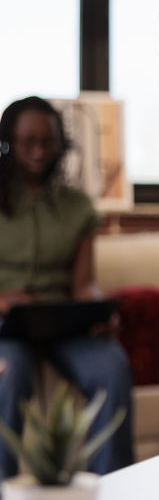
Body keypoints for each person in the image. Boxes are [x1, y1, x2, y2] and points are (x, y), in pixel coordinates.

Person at [0, 96, 134, 477]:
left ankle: (112, 492)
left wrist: (97, 309)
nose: (39, 151)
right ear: (8, 141)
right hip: (7, 326)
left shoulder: (77, 206)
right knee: (9, 373)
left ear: (61, 143)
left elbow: (84, 283)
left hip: (62, 323)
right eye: (28, 141)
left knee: (111, 367)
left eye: (48, 141)